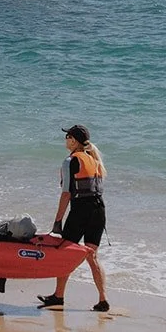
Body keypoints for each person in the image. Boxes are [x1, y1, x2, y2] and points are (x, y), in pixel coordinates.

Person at [38, 123, 109, 311]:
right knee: (92, 256)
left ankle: (58, 296)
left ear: (74, 140)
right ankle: (103, 299)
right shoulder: (95, 160)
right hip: (99, 211)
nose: (65, 140)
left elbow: (66, 194)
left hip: (81, 212)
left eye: (67, 137)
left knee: (64, 253)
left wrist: (58, 221)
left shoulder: (70, 161)